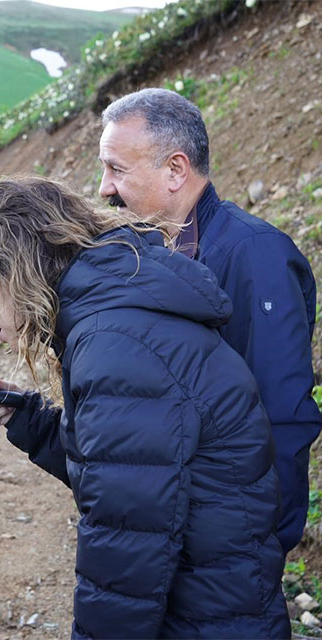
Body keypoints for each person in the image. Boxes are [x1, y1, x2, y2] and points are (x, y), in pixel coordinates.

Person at [0, 176, 288, 638]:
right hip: (219, 596)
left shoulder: (115, 345)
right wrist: (32, 423)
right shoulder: (117, 314)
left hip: (205, 617)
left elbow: (127, 543)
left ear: (12, 268)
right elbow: (130, 468)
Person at [95, 87, 320, 555]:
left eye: (116, 169)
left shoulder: (255, 255)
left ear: (176, 169)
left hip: (231, 541)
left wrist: (258, 542)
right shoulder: (155, 251)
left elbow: (281, 417)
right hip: (182, 526)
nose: (104, 188)